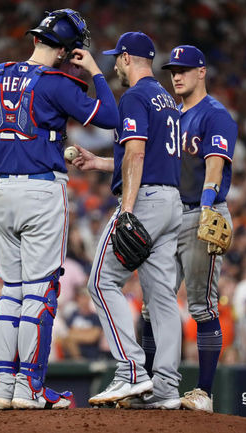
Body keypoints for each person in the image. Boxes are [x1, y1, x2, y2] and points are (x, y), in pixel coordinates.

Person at [0, 9, 119, 410]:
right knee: (39, 292)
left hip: (3, 194)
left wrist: (6, 161)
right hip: (41, 191)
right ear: (69, 50)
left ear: (36, 38)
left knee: (10, 292)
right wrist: (97, 72)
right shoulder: (58, 81)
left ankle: (3, 385)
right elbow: (110, 117)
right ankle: (29, 386)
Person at [71, 32, 184, 409]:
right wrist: (101, 163)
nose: (114, 65)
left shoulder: (134, 95)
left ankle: (132, 369)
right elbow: (143, 155)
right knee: (163, 298)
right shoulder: (167, 98)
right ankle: (166, 389)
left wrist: (128, 211)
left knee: (101, 283)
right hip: (171, 202)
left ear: (125, 58)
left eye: (116, 59)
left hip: (146, 201)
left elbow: (135, 155)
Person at [152, 45, 238, 412]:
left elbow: (215, 166)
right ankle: (149, 385)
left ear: (201, 72)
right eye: (173, 69)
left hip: (201, 213)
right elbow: (147, 159)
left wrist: (205, 208)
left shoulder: (215, 115)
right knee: (152, 305)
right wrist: (100, 162)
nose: (177, 75)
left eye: (185, 69)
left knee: (201, 306)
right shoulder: (170, 115)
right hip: (170, 214)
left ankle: (203, 392)